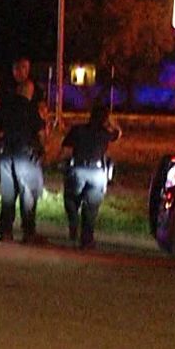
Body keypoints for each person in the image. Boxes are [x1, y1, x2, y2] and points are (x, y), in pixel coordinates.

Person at [60, 104, 122, 249]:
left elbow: (65, 149)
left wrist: (64, 164)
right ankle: (86, 240)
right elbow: (118, 133)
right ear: (105, 119)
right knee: (91, 208)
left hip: (78, 169)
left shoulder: (78, 130)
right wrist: (111, 121)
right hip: (97, 172)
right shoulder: (105, 133)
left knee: (70, 198)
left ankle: (74, 221)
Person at [0, 79, 47, 243]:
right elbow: (40, 133)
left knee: (8, 194)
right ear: (28, 91)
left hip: (5, 154)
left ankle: (5, 231)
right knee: (28, 194)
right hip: (25, 154)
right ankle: (28, 232)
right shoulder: (31, 108)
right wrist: (42, 149)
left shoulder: (5, 107)